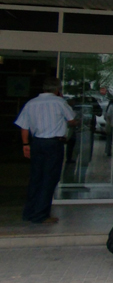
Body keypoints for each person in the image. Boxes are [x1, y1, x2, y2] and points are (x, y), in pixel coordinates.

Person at [15, 77, 78, 224]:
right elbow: (71, 120)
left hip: (37, 143)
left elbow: (24, 126)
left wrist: (25, 144)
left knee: (36, 177)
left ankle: (29, 212)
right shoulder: (59, 102)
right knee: (49, 179)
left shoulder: (31, 103)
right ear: (57, 89)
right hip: (53, 144)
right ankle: (41, 214)